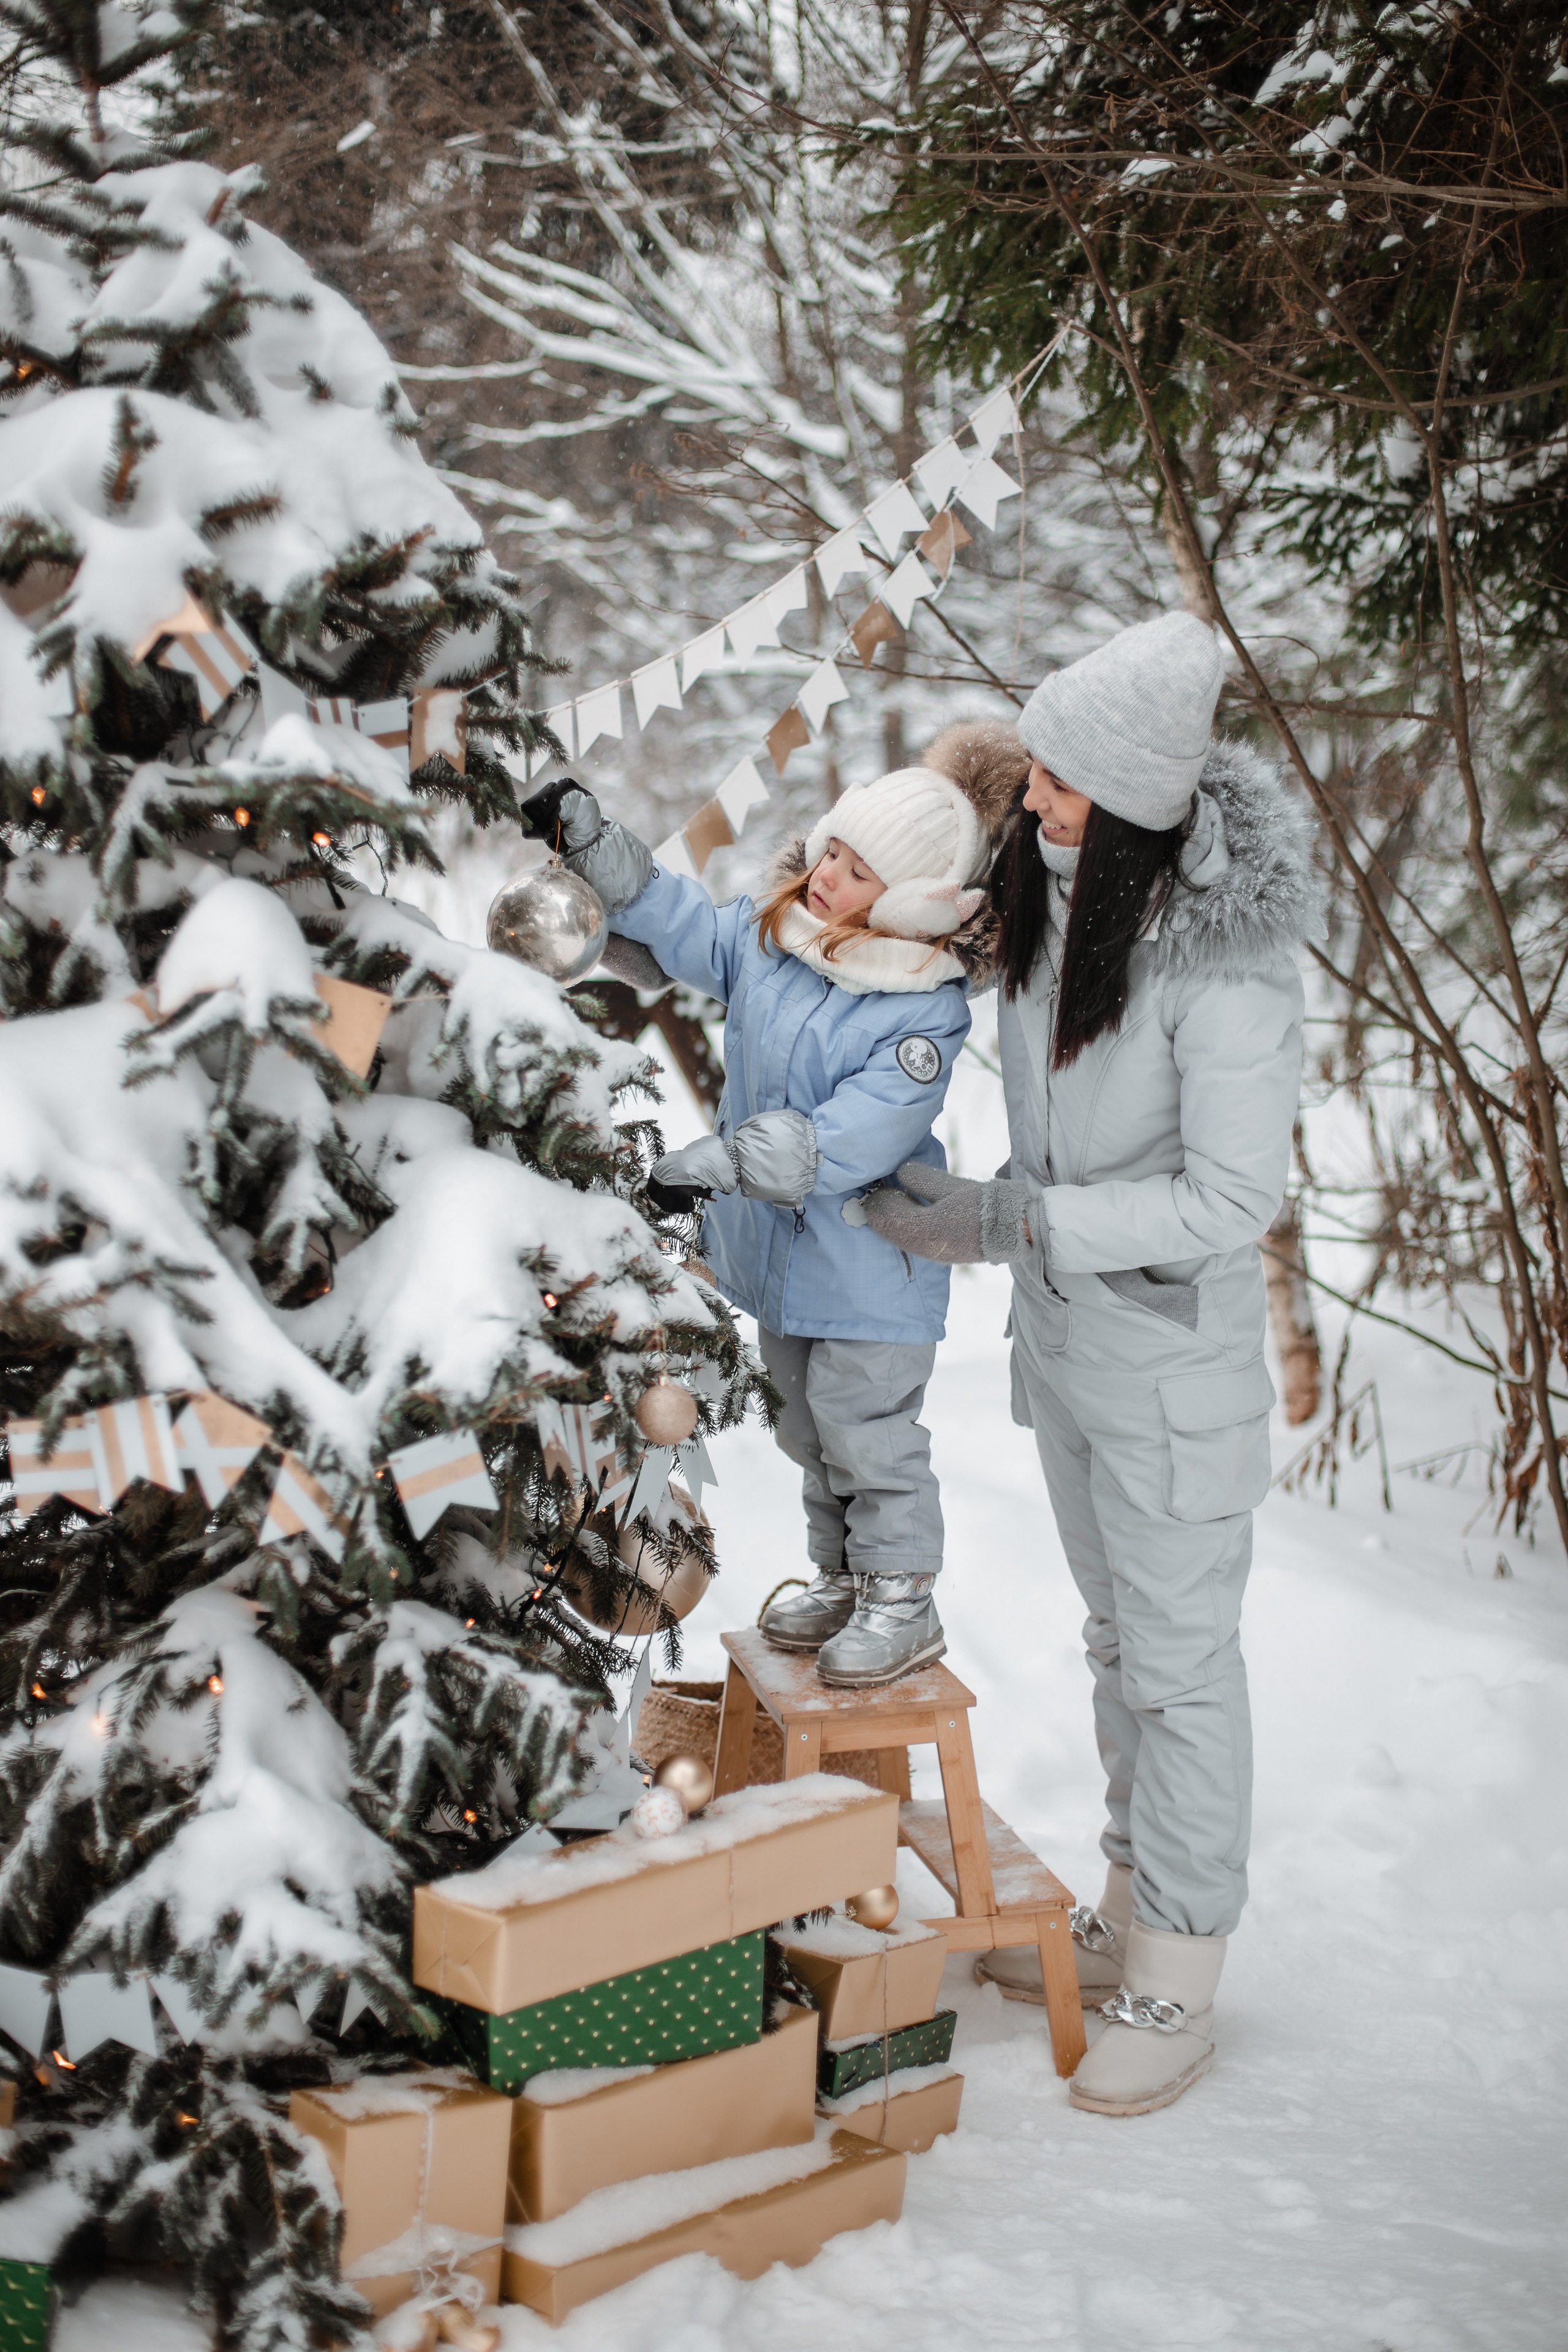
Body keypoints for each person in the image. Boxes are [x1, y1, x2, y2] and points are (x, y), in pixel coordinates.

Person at [862, 612, 1321, 2116]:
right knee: (1118, 1651)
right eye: (1035, 768)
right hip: (1068, 1356)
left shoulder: (1224, 965)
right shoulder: (1057, 892)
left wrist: (1010, 1217)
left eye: (1058, 781)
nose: (1033, 798)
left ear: (1129, 803)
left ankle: (1176, 1973)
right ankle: (1128, 1902)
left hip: (1172, 1381)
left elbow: (1228, 1196)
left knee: (1181, 1675)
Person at [520, 725, 1023, 1686]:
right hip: (785, 1263)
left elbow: (847, 1138)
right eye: (832, 848)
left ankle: (903, 1594)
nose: (828, 872)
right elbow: (685, 925)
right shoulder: (783, 938)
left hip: (870, 1264)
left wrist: (716, 1164)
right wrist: (594, 844)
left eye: (860, 870)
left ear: (917, 901)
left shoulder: (924, 1006)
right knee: (803, 1424)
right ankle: (844, 1577)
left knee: (866, 1431)